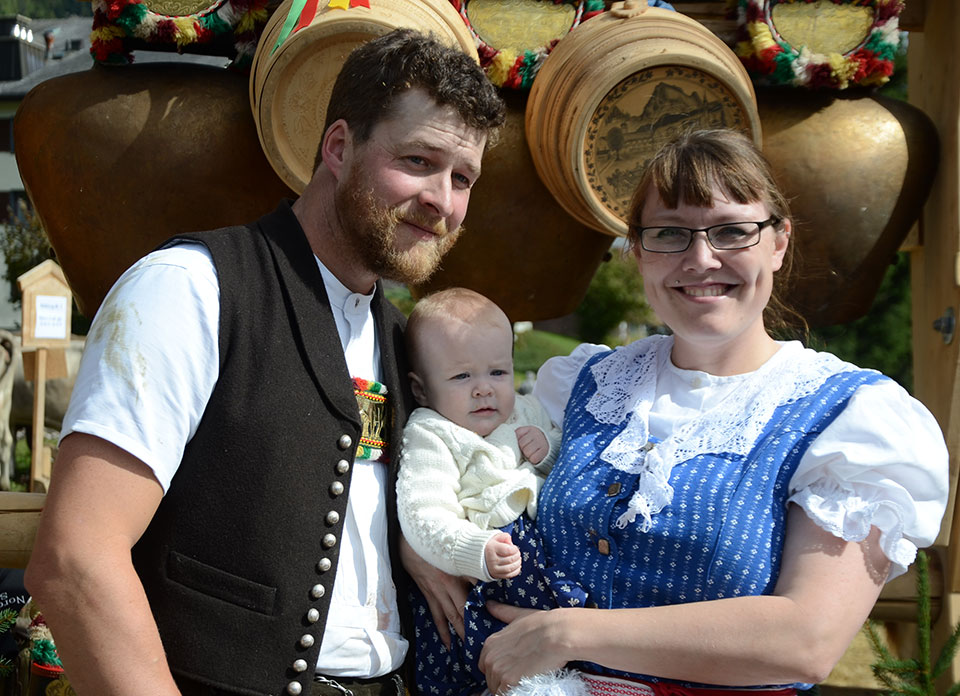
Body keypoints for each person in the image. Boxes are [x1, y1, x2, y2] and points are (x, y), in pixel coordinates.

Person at [24, 29, 504, 696]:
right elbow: (75, 560)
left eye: (463, 178)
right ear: (338, 147)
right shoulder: (193, 287)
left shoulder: (402, 339)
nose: (443, 201)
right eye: (419, 161)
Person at [414, 129, 950, 695]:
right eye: (669, 234)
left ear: (778, 242)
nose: (700, 258)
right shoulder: (583, 384)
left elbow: (806, 641)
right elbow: (451, 463)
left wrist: (571, 633)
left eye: (732, 231)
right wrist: (418, 544)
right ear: (637, 251)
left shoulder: (848, 416)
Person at [397, 288, 577, 696]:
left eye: (498, 373)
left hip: (545, 575)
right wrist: (473, 550)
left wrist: (547, 451)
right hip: (476, 586)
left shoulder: (526, 411)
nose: (484, 388)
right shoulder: (432, 433)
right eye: (462, 376)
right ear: (422, 390)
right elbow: (422, 513)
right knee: (473, 674)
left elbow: (570, 468)